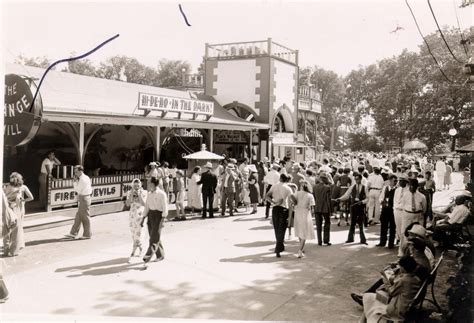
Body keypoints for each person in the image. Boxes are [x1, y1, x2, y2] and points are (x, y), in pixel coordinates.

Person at [359, 256, 422, 323]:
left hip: (396, 310)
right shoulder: (416, 279)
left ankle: (362, 321)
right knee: (372, 297)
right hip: (406, 307)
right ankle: (361, 321)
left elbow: (391, 292)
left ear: (403, 268)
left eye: (400, 266)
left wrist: (386, 283)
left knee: (369, 298)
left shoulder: (403, 280)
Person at [2, 172, 34, 256]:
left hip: (7, 209)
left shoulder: (6, 187)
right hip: (18, 209)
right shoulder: (23, 187)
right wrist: (23, 200)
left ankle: (6, 249)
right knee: (17, 230)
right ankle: (14, 250)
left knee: (6, 229)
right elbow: (31, 197)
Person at [140, 177, 168, 269]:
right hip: (150, 216)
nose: (148, 184)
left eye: (150, 183)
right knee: (154, 236)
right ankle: (160, 255)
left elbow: (165, 207)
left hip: (159, 216)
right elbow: (147, 207)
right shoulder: (149, 194)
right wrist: (143, 218)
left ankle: (147, 258)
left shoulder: (162, 194)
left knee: (153, 238)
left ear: (154, 184)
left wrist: (163, 219)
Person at [266, 174, 293, 257]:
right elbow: (292, 198)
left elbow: (266, 196)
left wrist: (273, 202)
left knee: (276, 227)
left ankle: (279, 245)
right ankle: (279, 246)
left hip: (275, 207)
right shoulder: (288, 188)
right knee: (282, 228)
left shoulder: (274, 186)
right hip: (283, 208)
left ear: (280, 178)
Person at [337, 172, 367, 245]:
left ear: (360, 179)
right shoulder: (352, 187)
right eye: (355, 179)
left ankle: (363, 240)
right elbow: (346, 195)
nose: (357, 180)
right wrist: (340, 199)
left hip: (360, 206)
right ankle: (350, 238)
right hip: (353, 206)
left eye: (358, 179)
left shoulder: (364, 187)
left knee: (361, 223)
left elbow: (368, 198)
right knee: (352, 223)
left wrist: (362, 202)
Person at [65, 165, 93, 239]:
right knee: (78, 216)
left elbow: (78, 190)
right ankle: (73, 233)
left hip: (84, 198)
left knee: (85, 217)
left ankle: (87, 234)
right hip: (84, 198)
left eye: (76, 172)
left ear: (80, 171)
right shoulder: (85, 177)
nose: (75, 173)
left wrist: (74, 182)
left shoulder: (82, 179)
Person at [291, 180, 315, 258]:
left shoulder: (297, 193)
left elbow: (292, 200)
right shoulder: (310, 195)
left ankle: (301, 246)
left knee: (299, 229)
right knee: (305, 230)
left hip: (298, 211)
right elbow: (311, 206)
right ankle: (300, 249)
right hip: (305, 212)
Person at [125, 178, 147, 258]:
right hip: (132, 214)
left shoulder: (144, 192)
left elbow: (144, 204)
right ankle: (134, 248)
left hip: (140, 213)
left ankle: (141, 249)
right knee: (133, 232)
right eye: (135, 185)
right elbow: (127, 204)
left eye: (138, 185)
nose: (136, 187)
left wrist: (139, 194)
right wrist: (131, 194)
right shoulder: (129, 192)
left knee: (140, 232)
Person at [377, 174, 398, 248]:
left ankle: (391, 243)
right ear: (390, 181)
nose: (394, 182)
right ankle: (382, 242)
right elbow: (381, 197)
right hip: (385, 209)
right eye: (393, 181)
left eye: (396, 181)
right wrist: (381, 201)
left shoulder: (397, 189)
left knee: (392, 226)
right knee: (383, 226)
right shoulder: (385, 188)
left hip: (392, 210)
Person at [313, 172, 332, 246]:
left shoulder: (315, 187)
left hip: (317, 207)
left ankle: (319, 240)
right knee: (327, 223)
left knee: (318, 225)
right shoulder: (327, 187)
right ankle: (326, 240)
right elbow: (328, 199)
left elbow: (314, 197)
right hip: (325, 207)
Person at [394, 174, 409, 255]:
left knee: (403, 231)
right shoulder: (397, 190)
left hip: (404, 212)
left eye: (401, 181)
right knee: (399, 231)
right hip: (397, 211)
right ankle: (401, 248)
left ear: (405, 182)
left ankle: (402, 251)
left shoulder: (408, 190)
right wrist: (395, 210)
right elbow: (395, 201)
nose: (399, 182)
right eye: (399, 181)